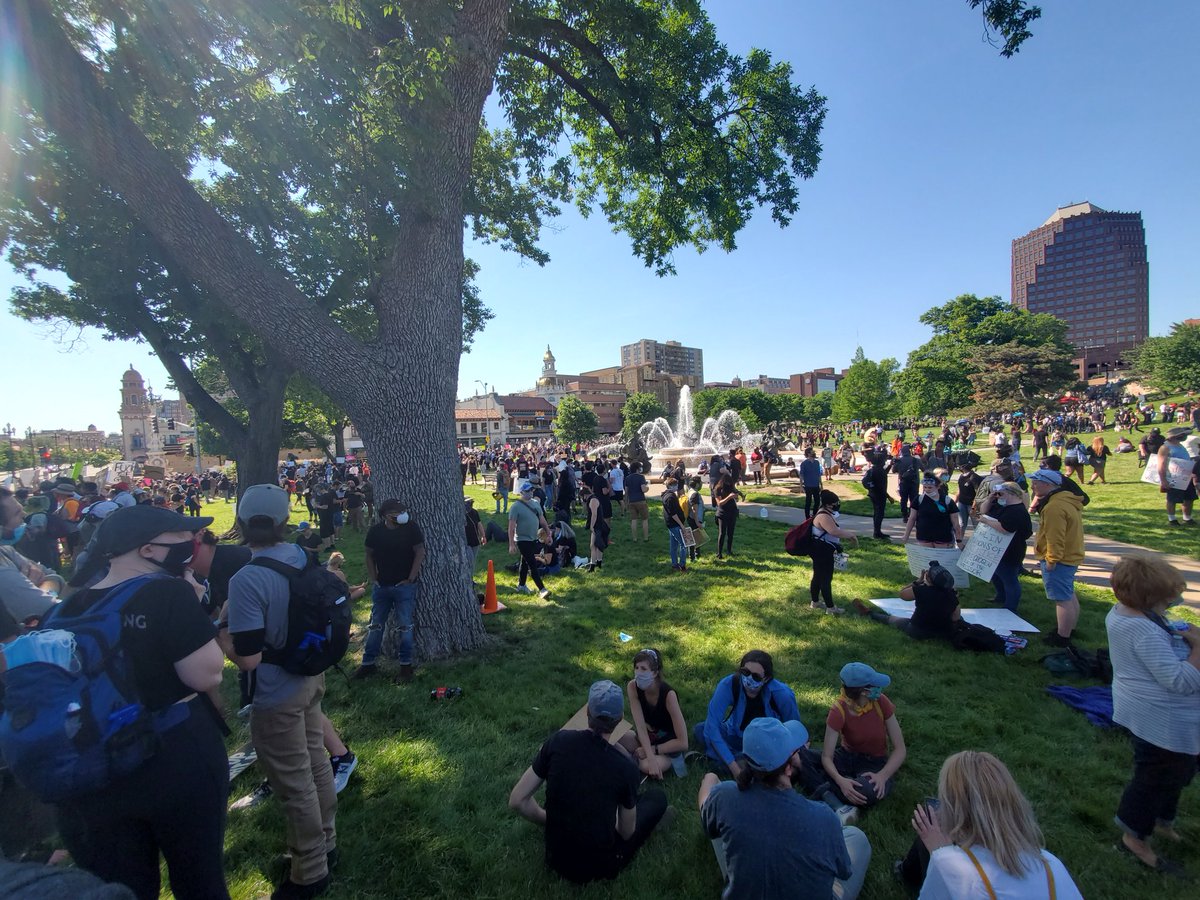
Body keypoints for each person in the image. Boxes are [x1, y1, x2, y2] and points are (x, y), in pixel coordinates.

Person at [46, 504, 228, 900]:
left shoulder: (67, 606)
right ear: (148, 550)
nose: (191, 543)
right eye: (183, 537)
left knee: (122, 888)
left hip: (91, 766)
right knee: (199, 880)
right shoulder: (168, 592)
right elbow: (207, 674)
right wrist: (195, 606)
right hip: (172, 756)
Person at [219, 484, 337, 899]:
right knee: (317, 763)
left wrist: (220, 633)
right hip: (310, 676)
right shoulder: (303, 557)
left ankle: (310, 871)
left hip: (275, 692)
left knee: (294, 783)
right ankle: (327, 843)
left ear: (241, 523)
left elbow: (248, 658)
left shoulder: (247, 579)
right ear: (286, 522)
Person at [507, 680, 669, 884]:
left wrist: (549, 820)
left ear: (587, 713)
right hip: (599, 866)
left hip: (555, 856)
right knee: (656, 799)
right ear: (620, 719)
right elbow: (626, 832)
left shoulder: (558, 742)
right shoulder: (626, 768)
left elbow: (517, 800)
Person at [699, 717, 871, 899]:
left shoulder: (724, 796)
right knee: (857, 838)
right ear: (788, 768)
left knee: (717, 809)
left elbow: (708, 817)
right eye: (797, 752)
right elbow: (844, 870)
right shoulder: (823, 817)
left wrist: (710, 778)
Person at [1106, 554, 1200, 874]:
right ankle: (1134, 839)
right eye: (1167, 598)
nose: (1173, 602)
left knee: (1179, 770)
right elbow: (1180, 681)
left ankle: (1162, 820)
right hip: (1160, 719)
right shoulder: (1141, 629)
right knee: (1154, 778)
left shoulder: (1127, 612)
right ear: (1148, 598)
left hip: (1157, 714)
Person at [899, 751, 1084, 898]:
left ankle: (905, 872)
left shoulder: (949, 866)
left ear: (956, 811)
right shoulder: (1052, 864)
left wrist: (941, 853)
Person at [805, 663, 906, 812]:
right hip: (846, 756)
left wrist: (882, 776)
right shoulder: (838, 710)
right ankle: (833, 786)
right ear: (864, 692)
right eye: (875, 685)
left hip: (873, 762)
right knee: (799, 755)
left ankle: (819, 784)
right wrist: (840, 781)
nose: (879, 688)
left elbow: (900, 749)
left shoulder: (881, 702)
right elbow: (827, 756)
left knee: (867, 791)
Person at [695, 649, 803, 776]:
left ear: (766, 679)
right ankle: (745, 765)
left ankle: (723, 760)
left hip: (766, 743)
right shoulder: (729, 684)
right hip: (736, 735)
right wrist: (734, 768)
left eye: (756, 677)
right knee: (701, 729)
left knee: (713, 741)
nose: (749, 679)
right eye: (745, 672)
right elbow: (712, 726)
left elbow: (793, 729)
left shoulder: (782, 694)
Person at [357, 498, 426, 680]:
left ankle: (405, 666)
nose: (402, 515)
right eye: (397, 512)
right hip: (382, 586)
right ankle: (368, 664)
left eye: (402, 511)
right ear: (387, 515)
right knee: (376, 625)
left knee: (405, 626)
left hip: (404, 587)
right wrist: (374, 578)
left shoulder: (411, 528)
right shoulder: (376, 531)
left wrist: (410, 578)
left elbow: (420, 551)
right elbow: (369, 555)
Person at [1028, 469, 1084, 647]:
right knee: (1068, 594)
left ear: (1048, 484)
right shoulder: (1065, 499)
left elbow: (1055, 537)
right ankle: (1070, 628)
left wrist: (1051, 560)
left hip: (1060, 559)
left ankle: (1062, 637)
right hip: (1070, 555)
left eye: (1036, 482)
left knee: (1062, 599)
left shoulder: (1053, 507)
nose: (1032, 486)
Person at [620, 648, 688, 779]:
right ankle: (630, 757)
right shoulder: (632, 687)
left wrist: (650, 753)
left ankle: (627, 758)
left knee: (647, 765)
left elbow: (683, 742)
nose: (638, 673)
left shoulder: (669, 695)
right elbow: (640, 726)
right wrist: (648, 752)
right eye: (636, 668)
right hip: (645, 738)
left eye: (643, 669)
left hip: (667, 747)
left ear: (655, 672)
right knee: (614, 734)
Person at [850, 560, 961, 640]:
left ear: (928, 579)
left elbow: (902, 594)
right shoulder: (952, 594)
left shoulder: (921, 590)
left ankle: (869, 613)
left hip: (917, 630)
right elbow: (955, 617)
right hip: (943, 632)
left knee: (892, 619)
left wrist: (917, 581)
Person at [977, 482, 1033, 612]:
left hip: (1011, 550)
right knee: (996, 575)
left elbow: (1006, 528)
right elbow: (983, 510)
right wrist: (990, 498)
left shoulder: (1017, 510)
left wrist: (987, 521)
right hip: (997, 548)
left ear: (1011, 494)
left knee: (1009, 579)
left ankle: (1010, 607)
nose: (998, 496)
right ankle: (1000, 596)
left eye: (1000, 494)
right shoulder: (1001, 505)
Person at [807, 490, 857, 614]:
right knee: (825, 578)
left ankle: (815, 602)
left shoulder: (824, 513)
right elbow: (834, 531)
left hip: (819, 549)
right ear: (828, 504)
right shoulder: (823, 516)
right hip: (822, 551)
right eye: (835, 503)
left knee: (818, 576)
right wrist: (851, 535)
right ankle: (831, 608)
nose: (837, 505)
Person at [507, 484, 552, 598]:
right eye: (527, 491)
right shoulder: (516, 507)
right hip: (522, 540)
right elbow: (511, 527)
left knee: (525, 562)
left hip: (533, 538)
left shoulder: (536, 503)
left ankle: (521, 585)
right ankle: (542, 589)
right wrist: (511, 544)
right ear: (521, 492)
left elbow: (542, 520)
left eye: (531, 490)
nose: (530, 492)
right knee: (532, 563)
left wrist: (548, 533)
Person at [902, 474, 962, 547]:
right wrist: (906, 535)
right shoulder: (919, 499)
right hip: (924, 536)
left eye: (930, 487)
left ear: (938, 487)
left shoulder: (947, 501)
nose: (927, 490)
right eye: (925, 487)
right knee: (926, 554)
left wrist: (959, 540)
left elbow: (956, 523)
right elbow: (912, 518)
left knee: (940, 554)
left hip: (943, 537)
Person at [1158, 426, 1196, 526]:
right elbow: (1161, 464)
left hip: (1186, 476)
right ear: (1175, 436)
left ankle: (1187, 518)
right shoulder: (1165, 447)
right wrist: (1163, 480)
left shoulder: (1180, 445)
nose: (1185, 436)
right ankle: (1172, 519)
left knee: (1189, 498)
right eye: (1183, 435)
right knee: (1172, 499)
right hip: (1173, 477)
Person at [712, 472, 744, 559]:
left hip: (732, 512)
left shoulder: (731, 488)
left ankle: (729, 551)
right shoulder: (717, 489)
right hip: (722, 513)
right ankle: (719, 553)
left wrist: (736, 497)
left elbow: (736, 498)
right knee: (722, 533)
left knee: (731, 533)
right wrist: (729, 497)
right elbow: (719, 503)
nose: (729, 485)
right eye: (727, 483)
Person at [662, 479, 688, 573]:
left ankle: (674, 564)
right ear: (670, 486)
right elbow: (673, 514)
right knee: (684, 544)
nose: (677, 487)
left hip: (671, 524)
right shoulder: (670, 497)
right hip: (675, 524)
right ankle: (682, 565)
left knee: (673, 545)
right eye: (675, 485)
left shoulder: (666, 495)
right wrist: (681, 525)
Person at [624, 463, 650, 542]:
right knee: (644, 519)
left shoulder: (627, 478)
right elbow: (643, 489)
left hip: (631, 501)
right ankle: (646, 538)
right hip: (641, 500)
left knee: (634, 520)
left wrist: (626, 502)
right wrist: (647, 487)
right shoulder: (641, 477)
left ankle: (634, 538)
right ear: (637, 469)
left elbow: (626, 491)